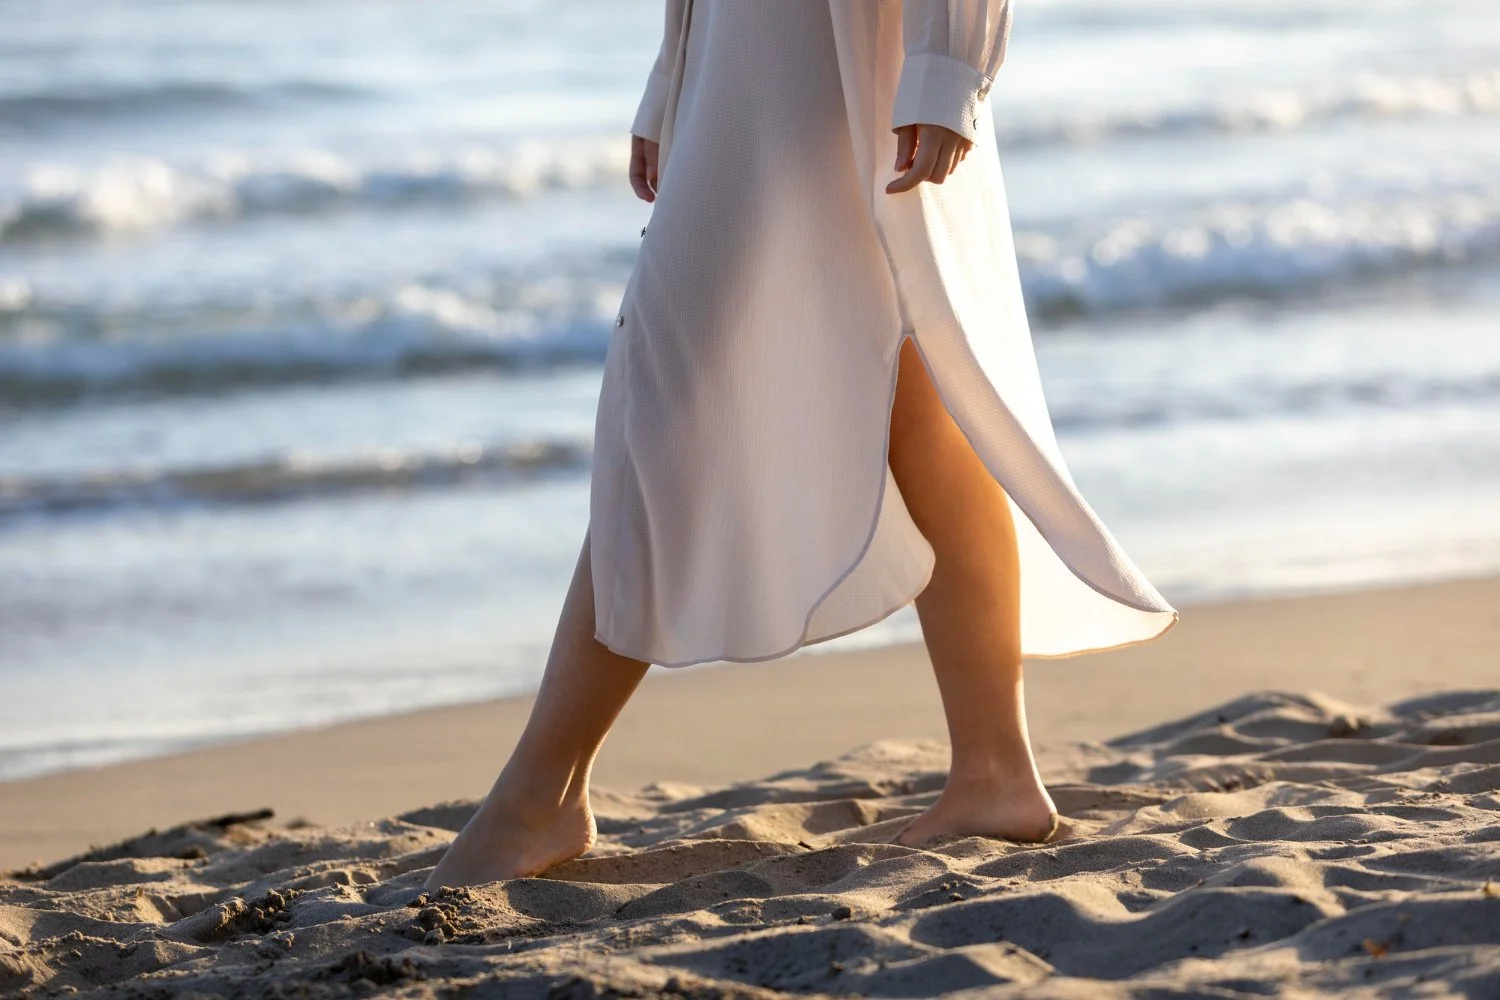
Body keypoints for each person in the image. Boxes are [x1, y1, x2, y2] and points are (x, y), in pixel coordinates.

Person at [425, 0, 1177, 890]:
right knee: (905, 399)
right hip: (750, 62)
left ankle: (538, 795)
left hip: (854, 59)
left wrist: (947, 69)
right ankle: (994, 771)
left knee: (676, 407)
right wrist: (674, 79)